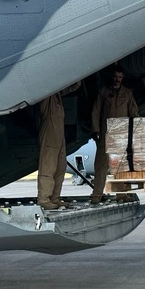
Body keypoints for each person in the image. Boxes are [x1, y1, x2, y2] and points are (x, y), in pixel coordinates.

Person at [90, 66, 139, 204]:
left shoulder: (127, 93)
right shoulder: (103, 92)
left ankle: (122, 194)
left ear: (122, 78)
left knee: (122, 165)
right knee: (101, 165)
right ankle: (96, 194)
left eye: (120, 77)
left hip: (121, 135)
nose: (117, 79)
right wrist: (95, 130)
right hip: (106, 133)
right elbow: (95, 111)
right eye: (115, 76)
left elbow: (133, 112)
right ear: (112, 77)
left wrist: (136, 129)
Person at [37, 81, 81, 210]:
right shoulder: (46, 95)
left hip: (59, 131)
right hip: (49, 128)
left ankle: (55, 198)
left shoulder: (56, 94)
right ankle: (44, 199)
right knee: (48, 166)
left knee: (60, 167)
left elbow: (72, 87)